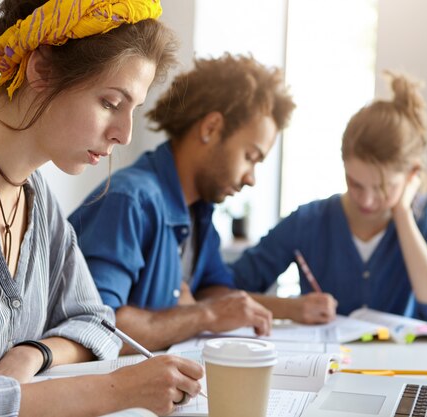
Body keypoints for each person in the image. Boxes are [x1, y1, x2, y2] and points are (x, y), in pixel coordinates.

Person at [0, 1, 204, 416]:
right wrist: (115, 389)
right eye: (111, 103)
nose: (124, 135)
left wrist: (31, 354)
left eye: (133, 110)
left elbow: (98, 322)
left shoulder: (37, 200)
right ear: (41, 70)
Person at [68, 53, 297, 352]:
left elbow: (215, 292)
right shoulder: (130, 201)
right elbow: (100, 329)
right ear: (211, 128)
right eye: (250, 157)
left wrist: (199, 308)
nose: (251, 178)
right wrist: (201, 315)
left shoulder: (199, 211)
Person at [231, 71, 427, 328]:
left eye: (382, 188)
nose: (367, 201)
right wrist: (289, 308)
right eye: (355, 183)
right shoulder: (309, 221)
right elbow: (225, 288)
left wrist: (402, 213)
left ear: (412, 174)